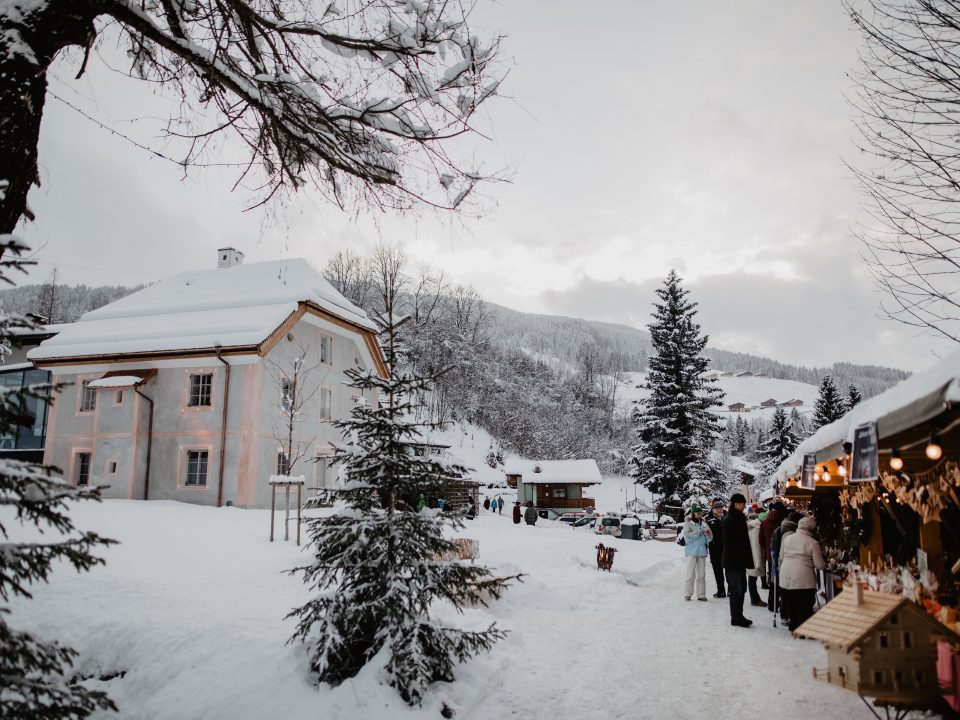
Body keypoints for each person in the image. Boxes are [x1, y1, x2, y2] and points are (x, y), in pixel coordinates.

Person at [779, 516, 825, 631]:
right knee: (804, 606)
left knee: (791, 604)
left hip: (785, 576)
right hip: (803, 579)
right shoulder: (812, 542)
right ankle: (803, 630)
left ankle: (793, 626)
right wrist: (826, 565)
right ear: (812, 528)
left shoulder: (787, 539)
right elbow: (819, 565)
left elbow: (781, 557)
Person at [721, 492, 754, 628]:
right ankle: (735, 617)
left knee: (741, 589)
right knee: (736, 590)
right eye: (742, 504)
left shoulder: (738, 517)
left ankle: (739, 615)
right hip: (733, 560)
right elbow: (730, 541)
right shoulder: (730, 519)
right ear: (735, 504)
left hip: (738, 560)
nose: (744, 506)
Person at [771, 511, 800, 622]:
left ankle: (784, 615)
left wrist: (775, 563)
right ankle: (786, 615)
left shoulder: (778, 530)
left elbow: (773, 548)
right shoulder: (792, 532)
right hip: (787, 563)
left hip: (778, 563)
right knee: (788, 590)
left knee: (782, 589)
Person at [681, 504, 713, 601]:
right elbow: (686, 537)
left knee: (701, 574)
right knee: (690, 574)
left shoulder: (704, 523)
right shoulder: (688, 524)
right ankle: (688, 593)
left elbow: (710, 537)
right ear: (693, 513)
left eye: (700, 513)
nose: (699, 515)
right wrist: (698, 532)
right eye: (697, 513)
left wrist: (708, 535)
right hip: (691, 552)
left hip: (702, 552)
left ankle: (701, 594)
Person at [760, 501, 786, 605]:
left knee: (773, 579)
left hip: (771, 555)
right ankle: (783, 603)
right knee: (784, 580)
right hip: (784, 556)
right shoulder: (783, 521)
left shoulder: (765, 522)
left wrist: (767, 549)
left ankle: (772, 603)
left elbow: (760, 540)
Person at [746, 511, 768, 607]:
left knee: (752, 578)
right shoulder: (756, 529)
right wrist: (759, 563)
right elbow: (756, 547)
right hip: (754, 558)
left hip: (752, 557)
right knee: (752, 578)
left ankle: (755, 598)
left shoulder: (754, 526)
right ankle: (755, 599)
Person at [705, 501, 726, 598]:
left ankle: (731, 590)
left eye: (720, 507)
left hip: (727, 547)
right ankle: (721, 590)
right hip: (714, 548)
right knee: (717, 570)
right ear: (712, 509)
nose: (719, 509)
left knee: (729, 569)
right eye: (717, 508)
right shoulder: (708, 519)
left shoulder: (727, 516)